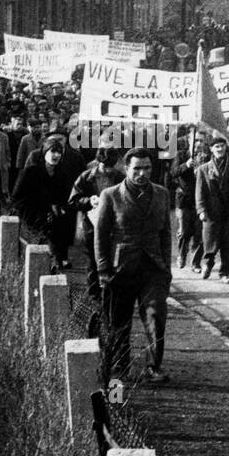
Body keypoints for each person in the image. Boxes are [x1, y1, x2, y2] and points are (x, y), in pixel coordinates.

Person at [94, 148, 173, 384]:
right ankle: (120, 369)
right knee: (119, 322)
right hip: (121, 269)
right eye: (136, 168)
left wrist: (166, 268)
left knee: (156, 314)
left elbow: (166, 234)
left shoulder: (162, 194)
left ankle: (153, 366)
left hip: (153, 268)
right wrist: (103, 269)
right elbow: (101, 234)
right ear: (126, 169)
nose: (141, 173)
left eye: (147, 168)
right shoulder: (111, 195)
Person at [11, 134, 76, 270]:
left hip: (52, 218)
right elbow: (17, 198)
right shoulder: (30, 172)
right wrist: (42, 208)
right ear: (45, 152)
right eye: (53, 151)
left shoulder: (62, 174)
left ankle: (57, 260)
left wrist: (60, 208)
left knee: (61, 224)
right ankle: (50, 262)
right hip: (30, 215)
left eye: (59, 152)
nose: (56, 155)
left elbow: (65, 197)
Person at [70, 147, 125, 301]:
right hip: (91, 225)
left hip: (113, 226)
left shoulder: (120, 178)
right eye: (104, 166)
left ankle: (109, 293)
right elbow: (73, 200)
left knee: (112, 260)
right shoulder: (86, 177)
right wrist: (88, 201)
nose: (108, 170)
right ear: (98, 163)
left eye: (111, 167)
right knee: (93, 262)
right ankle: (93, 295)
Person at [196, 136, 229, 282]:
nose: (220, 149)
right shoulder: (203, 169)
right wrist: (201, 210)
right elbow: (199, 192)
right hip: (212, 212)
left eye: (222, 146)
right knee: (210, 241)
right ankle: (207, 264)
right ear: (211, 149)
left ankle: (225, 273)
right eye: (217, 146)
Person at [171, 133, 208, 271]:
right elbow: (173, 173)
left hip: (200, 200)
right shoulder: (181, 155)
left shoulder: (206, 158)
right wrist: (185, 165)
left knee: (199, 232)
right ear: (190, 140)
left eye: (201, 141)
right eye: (196, 140)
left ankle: (195, 262)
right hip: (184, 199)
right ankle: (181, 255)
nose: (198, 143)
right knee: (184, 231)